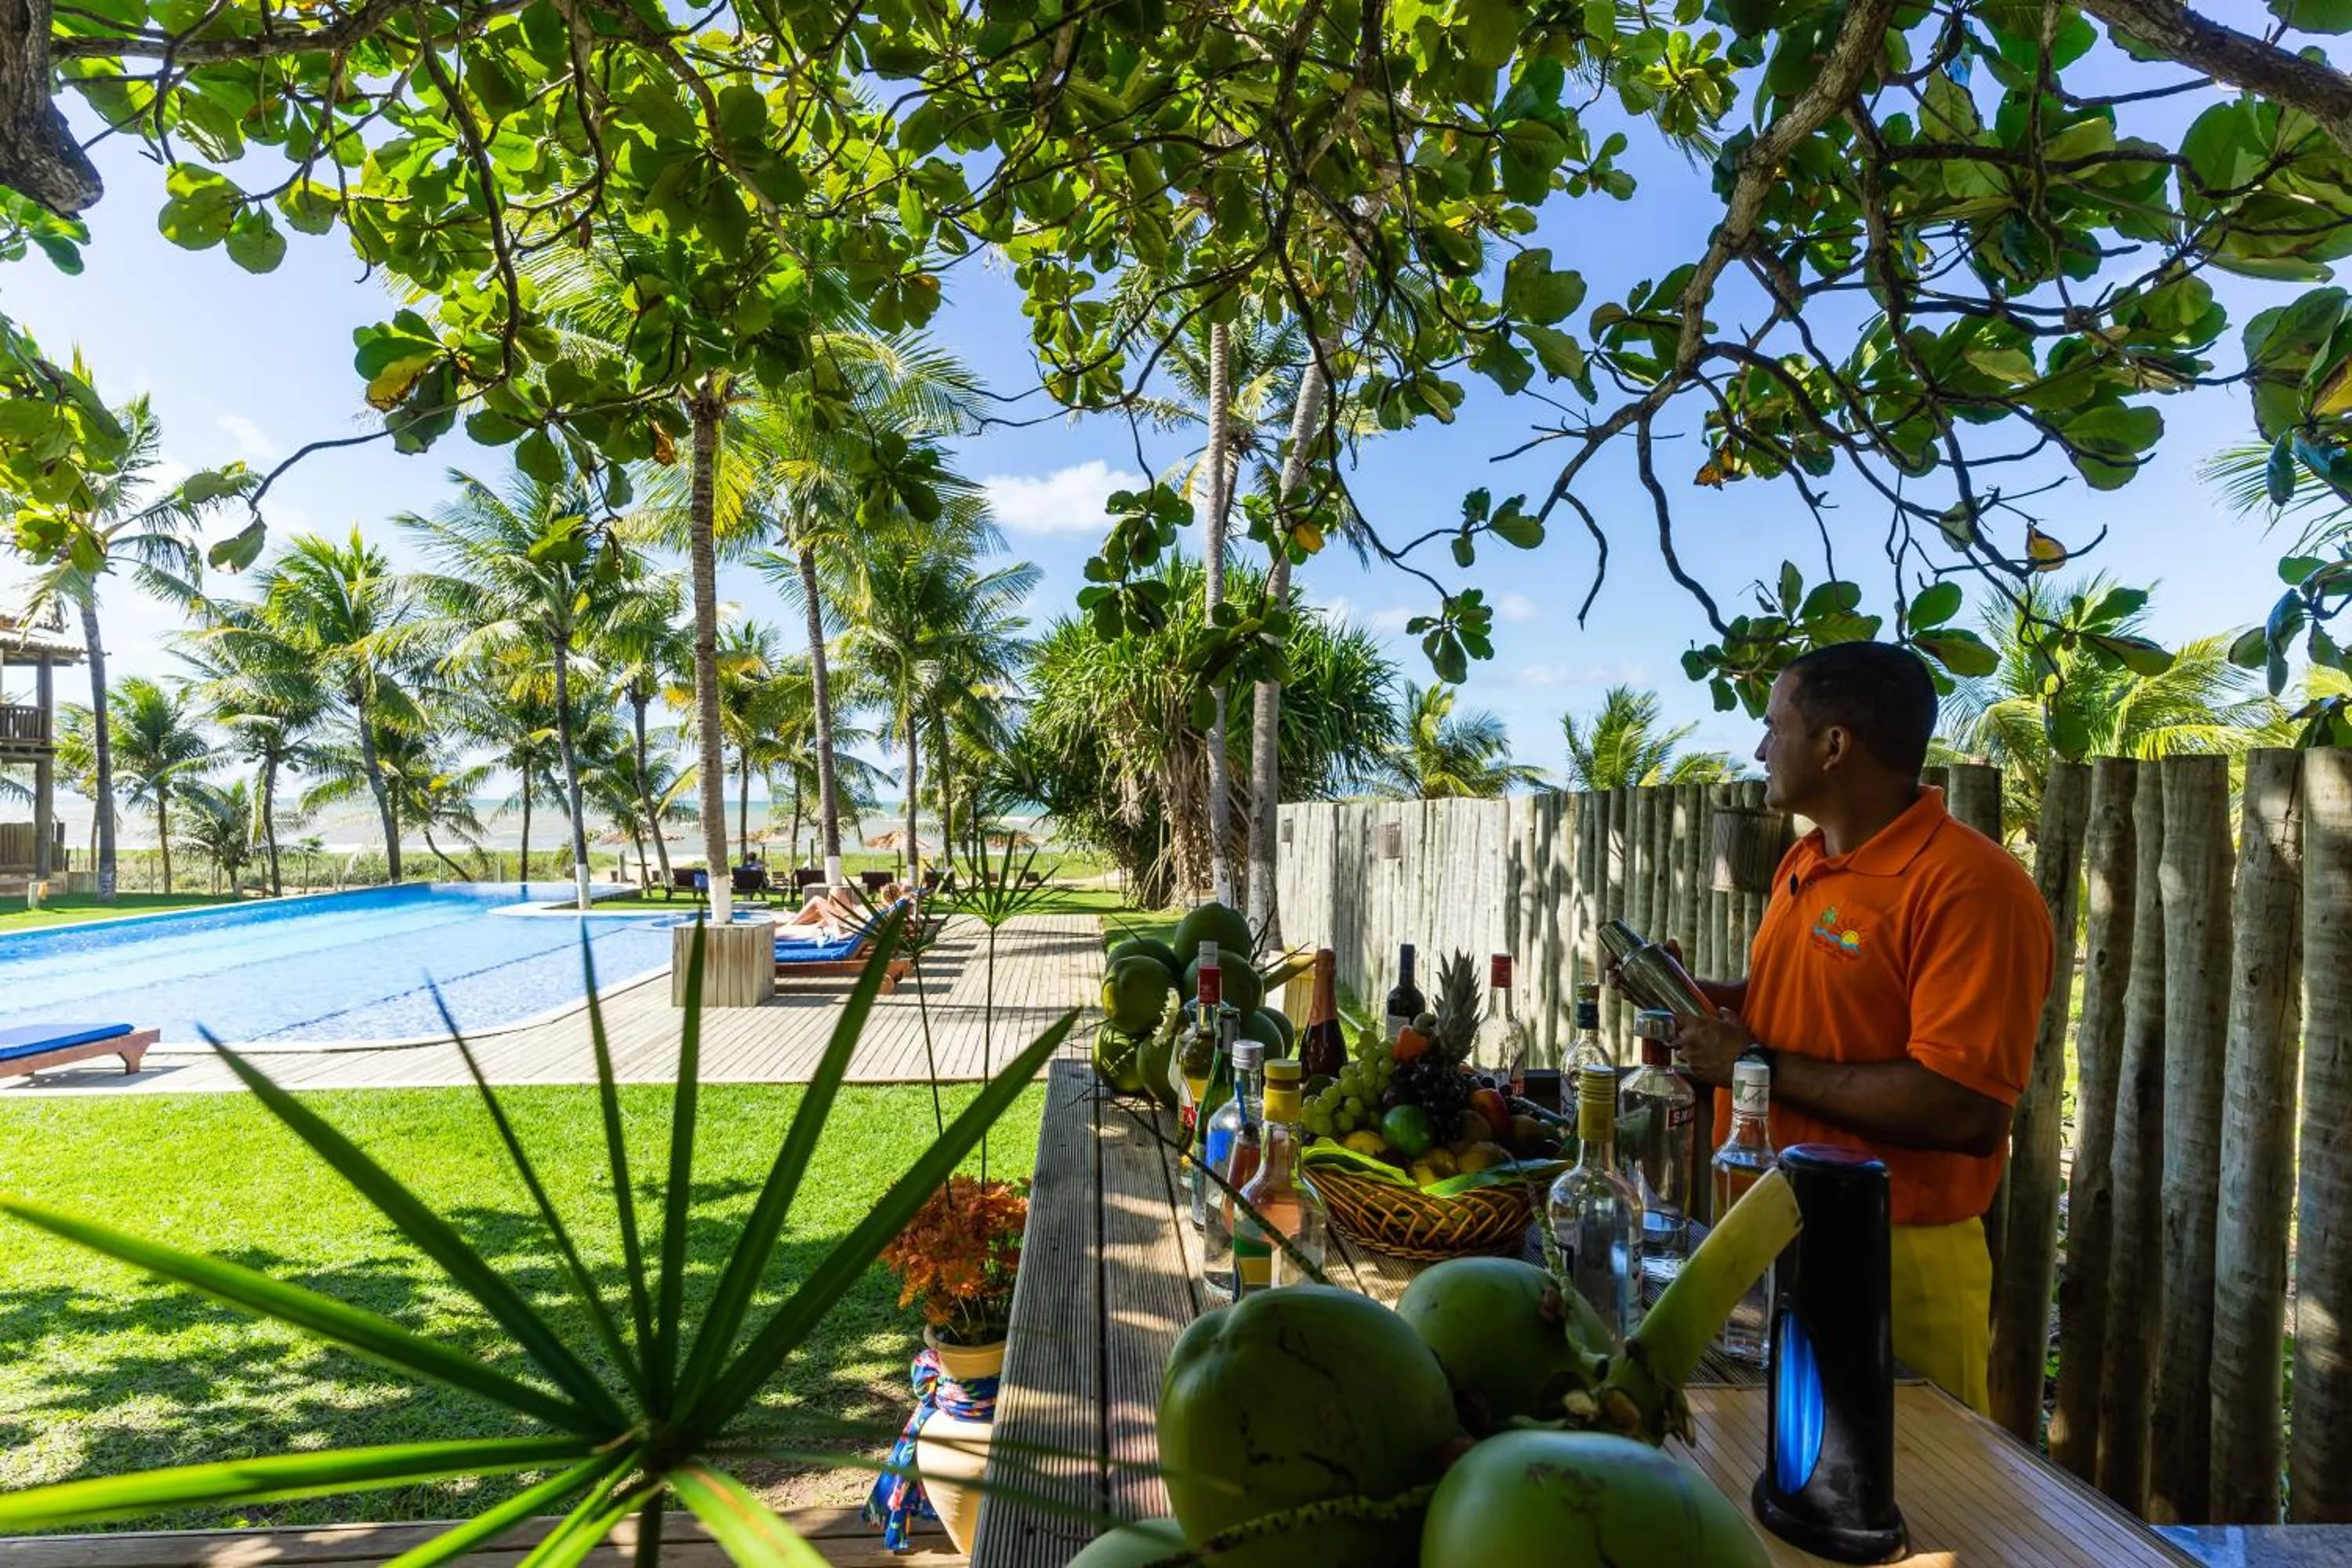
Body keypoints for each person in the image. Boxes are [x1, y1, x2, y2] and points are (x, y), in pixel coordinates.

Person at [1659, 641, 2053, 1413]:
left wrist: (1756, 1063)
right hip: (1771, 1225)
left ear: (1834, 745)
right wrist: (1697, 994)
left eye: (1775, 726)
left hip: (1896, 1253)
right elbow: (1801, 998)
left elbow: (1964, 1106)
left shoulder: (1972, 888)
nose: (1761, 749)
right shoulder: (1805, 860)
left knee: (1914, 1480)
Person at [776, 882, 864, 940]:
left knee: (818, 900)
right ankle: (834, 920)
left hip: (845, 925)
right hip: (850, 921)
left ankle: (790, 924)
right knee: (835, 891)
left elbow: (840, 937)